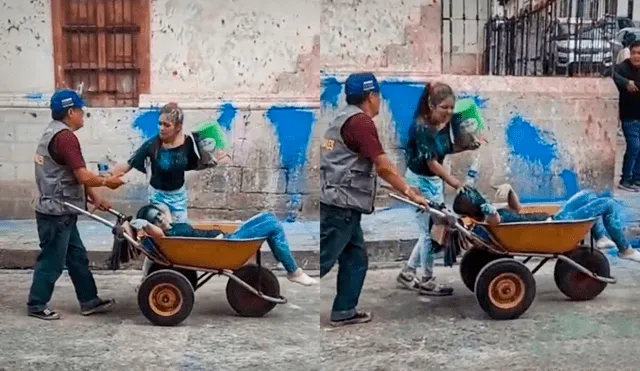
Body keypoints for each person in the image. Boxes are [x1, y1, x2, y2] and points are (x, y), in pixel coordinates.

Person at [319, 72, 429, 327]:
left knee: (356, 258)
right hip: (341, 204)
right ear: (371, 96)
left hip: (340, 199)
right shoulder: (361, 123)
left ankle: (344, 310)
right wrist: (409, 192)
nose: (380, 101)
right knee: (323, 258)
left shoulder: (341, 116)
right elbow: (382, 166)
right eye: (378, 96)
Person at [28, 89, 126, 320]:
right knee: (52, 259)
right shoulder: (66, 138)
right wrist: (106, 182)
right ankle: (36, 303)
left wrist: (95, 198)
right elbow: (82, 176)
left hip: (63, 208)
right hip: (56, 212)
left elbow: (71, 175)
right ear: (70, 112)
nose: (83, 114)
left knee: (77, 256)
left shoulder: (52, 132)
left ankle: (89, 300)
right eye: (81, 110)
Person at [111, 102, 231, 276]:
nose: (161, 128)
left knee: (178, 238)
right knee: (159, 240)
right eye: (160, 123)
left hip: (178, 197)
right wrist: (110, 177)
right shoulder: (152, 145)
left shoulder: (188, 144)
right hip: (158, 197)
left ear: (178, 127)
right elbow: (129, 164)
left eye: (166, 125)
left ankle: (177, 273)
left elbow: (196, 164)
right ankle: (147, 277)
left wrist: (213, 161)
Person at [396, 82, 481, 296]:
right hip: (418, 184)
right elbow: (432, 162)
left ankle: (408, 273)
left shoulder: (446, 125)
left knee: (431, 231)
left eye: (452, 108)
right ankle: (427, 280)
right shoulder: (421, 127)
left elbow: (446, 148)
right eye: (444, 107)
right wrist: (455, 183)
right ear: (431, 105)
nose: (449, 112)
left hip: (434, 184)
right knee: (429, 234)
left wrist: (468, 145)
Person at [128, 203, 317, 286]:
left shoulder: (171, 225)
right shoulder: (165, 236)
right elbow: (157, 233)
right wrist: (143, 225)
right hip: (225, 245)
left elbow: (164, 209)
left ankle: (293, 271)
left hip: (225, 240)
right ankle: (294, 271)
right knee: (273, 225)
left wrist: (154, 214)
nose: (161, 219)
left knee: (269, 217)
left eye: (159, 216)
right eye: (156, 220)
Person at [452, 184, 640, 263]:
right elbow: (495, 220)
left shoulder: (487, 212)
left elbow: (516, 208)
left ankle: (600, 237)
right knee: (606, 204)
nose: (478, 194)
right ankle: (625, 250)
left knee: (588, 194)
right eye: (474, 195)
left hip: (552, 220)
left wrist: (509, 190)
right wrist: (490, 210)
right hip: (554, 225)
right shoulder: (487, 217)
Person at [613, 40, 640, 192]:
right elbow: (609, 73)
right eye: (634, 53)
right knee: (634, 146)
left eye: (639, 53)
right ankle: (626, 179)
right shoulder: (622, 68)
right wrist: (625, 82)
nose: (636, 56)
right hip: (629, 117)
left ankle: (636, 179)